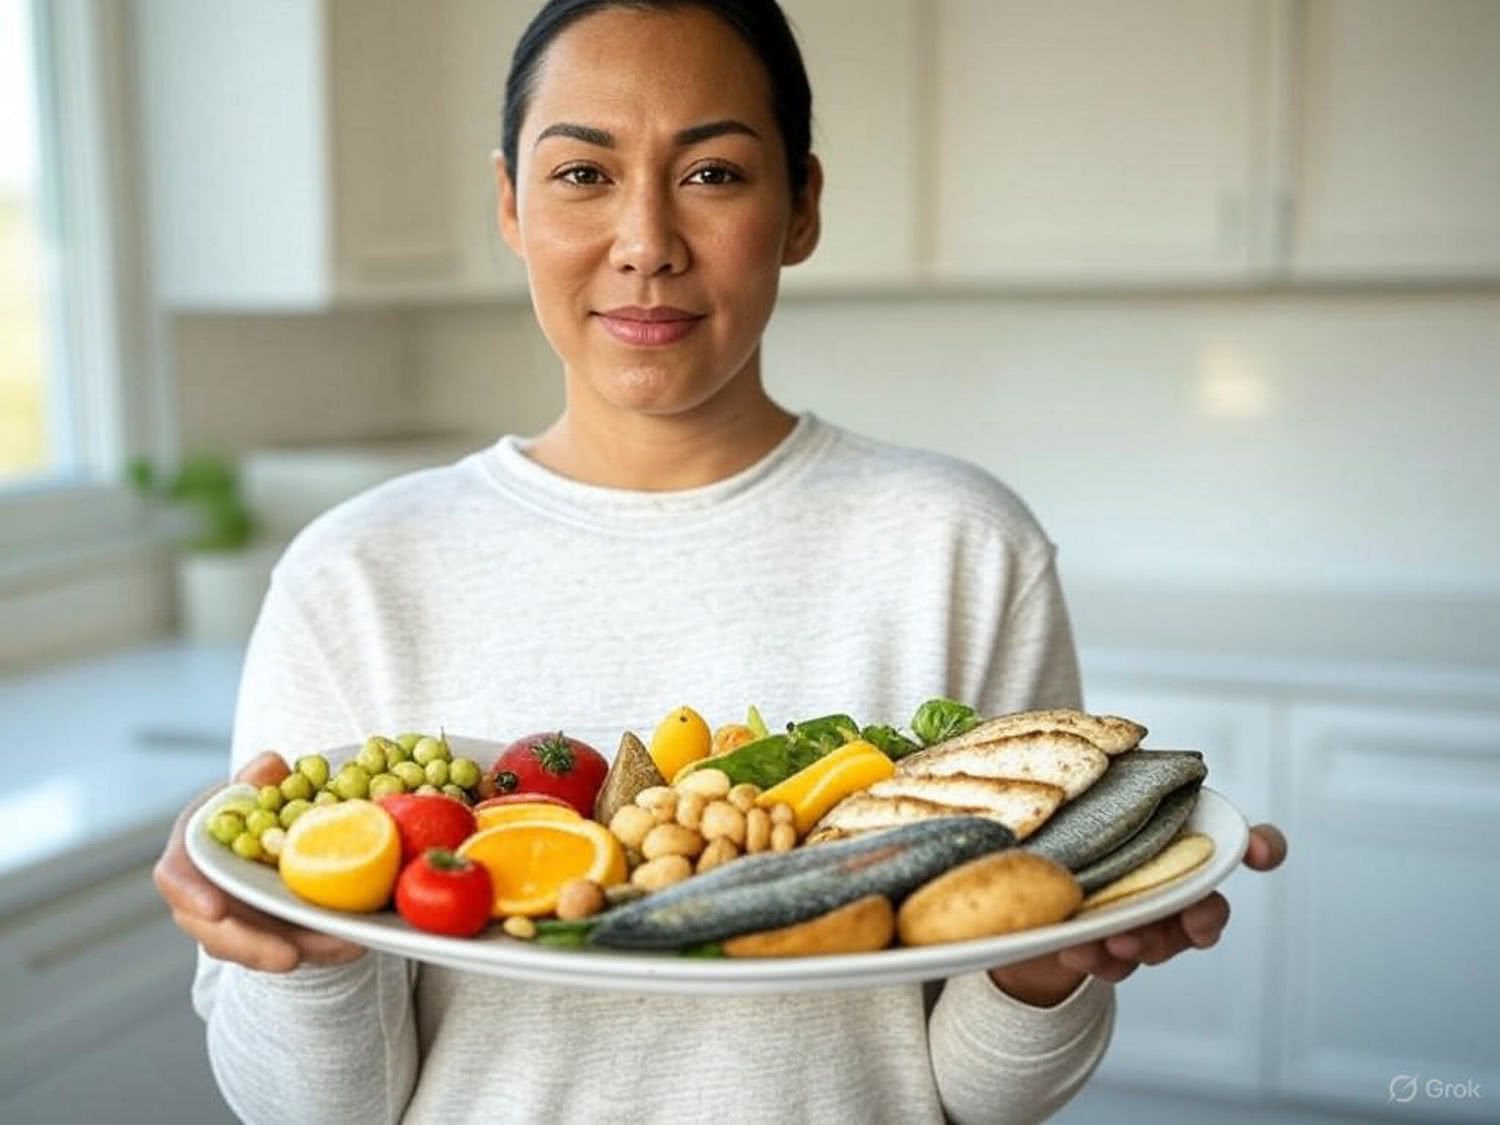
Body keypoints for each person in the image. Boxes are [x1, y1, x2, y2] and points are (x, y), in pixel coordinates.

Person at [153, 2, 1288, 1122]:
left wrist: (1047, 966)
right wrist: (300, 953)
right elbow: (307, 1110)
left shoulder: (961, 546)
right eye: (582, 175)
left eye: (713, 175)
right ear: (510, 202)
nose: (645, 241)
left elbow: (984, 1097)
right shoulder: (356, 571)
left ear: (801, 207)